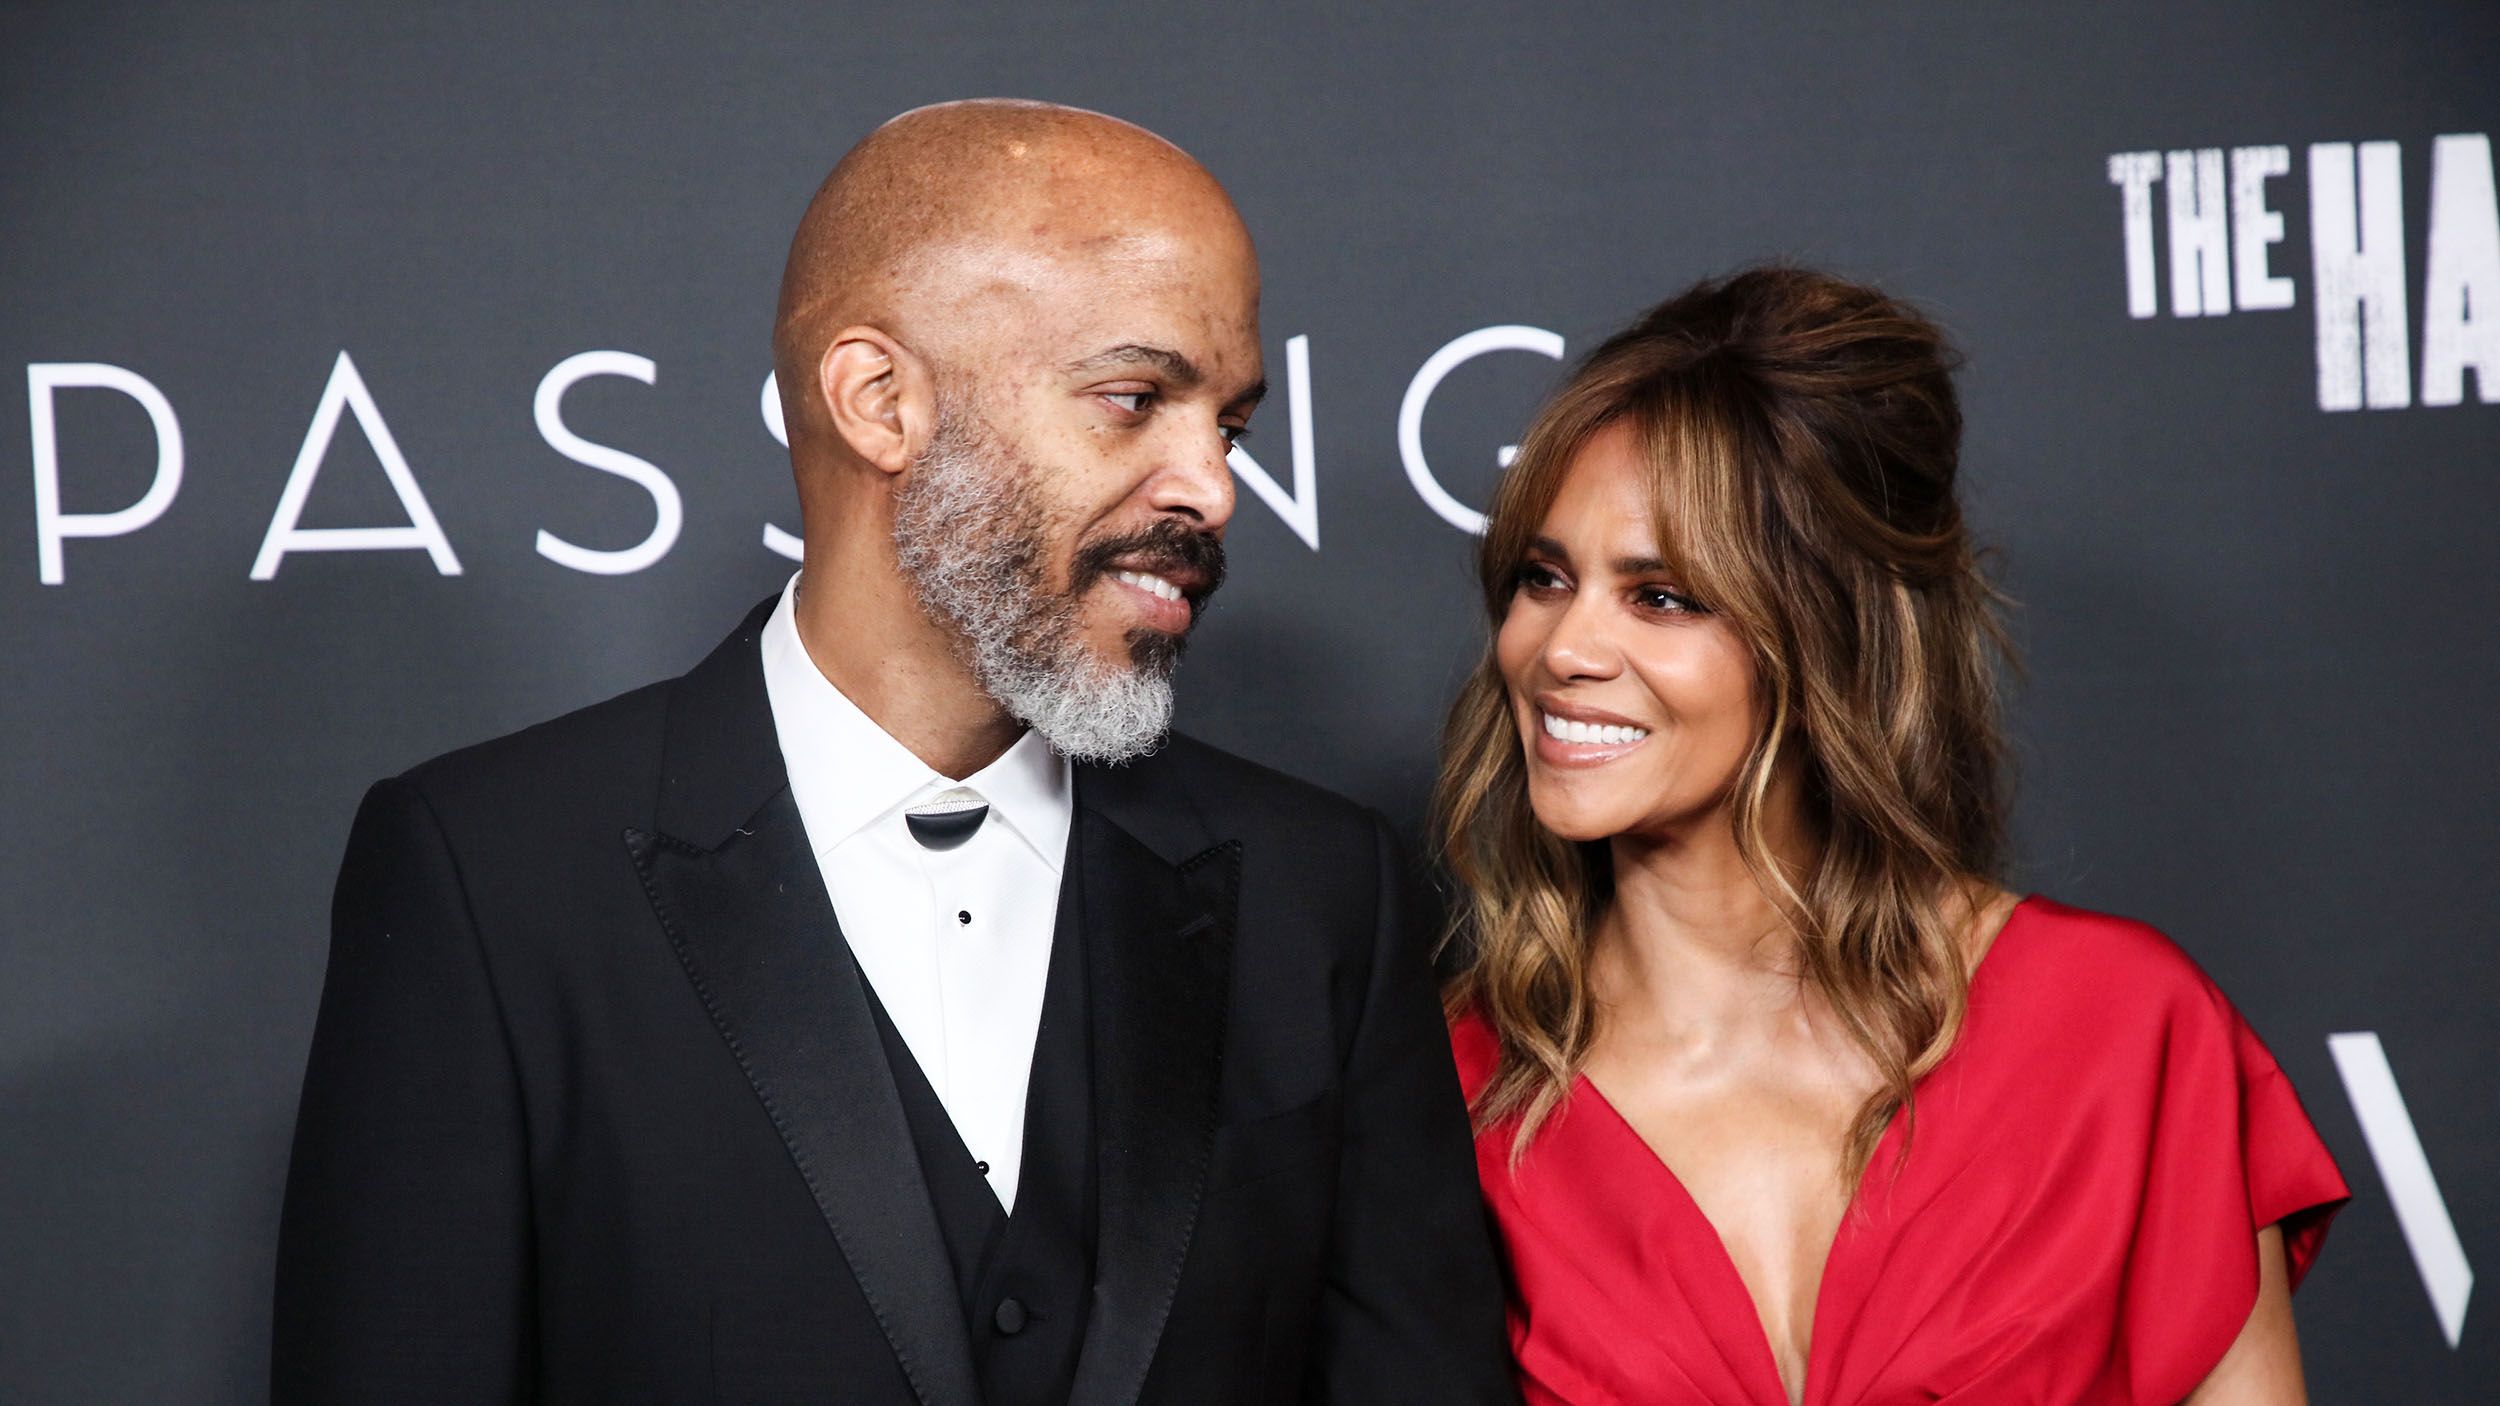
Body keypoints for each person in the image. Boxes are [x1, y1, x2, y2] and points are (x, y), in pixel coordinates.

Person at [272, 99, 1515, 1405]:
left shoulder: (1318, 890)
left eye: (1231, 425)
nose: (1211, 486)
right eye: (1133, 399)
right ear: (879, 401)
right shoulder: (496, 878)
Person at [1439, 267, 2348, 1405]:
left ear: (1830, 633)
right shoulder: (1449, 1096)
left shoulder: (2121, 1035)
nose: (1562, 649)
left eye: (1661, 594)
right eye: (1544, 577)